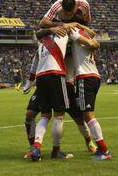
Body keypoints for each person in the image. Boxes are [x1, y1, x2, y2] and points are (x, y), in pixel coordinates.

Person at [29, 26, 98, 161]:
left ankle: (89, 142)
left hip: (63, 84)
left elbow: (89, 36)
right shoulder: (58, 42)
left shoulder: (72, 47)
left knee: (76, 118)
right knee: (56, 116)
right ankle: (51, 149)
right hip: (58, 80)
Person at [70, 27, 112, 161]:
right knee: (85, 113)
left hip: (84, 76)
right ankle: (101, 149)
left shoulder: (74, 32)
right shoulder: (86, 34)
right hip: (94, 76)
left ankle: (104, 151)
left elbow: (91, 44)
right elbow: (93, 40)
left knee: (87, 114)